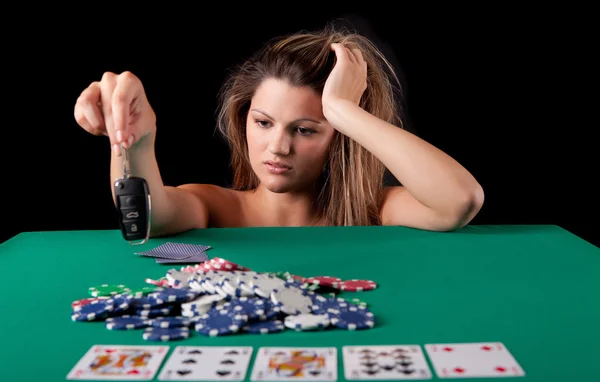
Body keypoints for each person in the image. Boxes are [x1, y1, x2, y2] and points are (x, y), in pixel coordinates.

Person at [74, 23, 484, 237]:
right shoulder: (217, 208)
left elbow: (459, 201)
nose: (278, 146)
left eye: (305, 130)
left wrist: (345, 111)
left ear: (341, 138)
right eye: (263, 123)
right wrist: (134, 140)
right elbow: (150, 218)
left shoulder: (375, 211)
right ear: (244, 119)